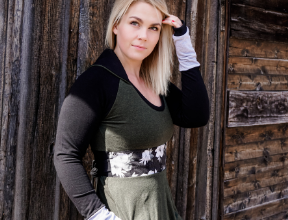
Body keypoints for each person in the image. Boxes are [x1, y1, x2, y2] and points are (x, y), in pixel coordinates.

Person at [53, 0, 210, 219]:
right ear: (116, 26)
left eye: (153, 28)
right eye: (135, 23)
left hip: (162, 209)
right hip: (123, 212)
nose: (144, 35)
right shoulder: (96, 82)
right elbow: (65, 155)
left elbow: (196, 115)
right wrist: (100, 216)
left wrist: (182, 40)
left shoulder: (154, 82)